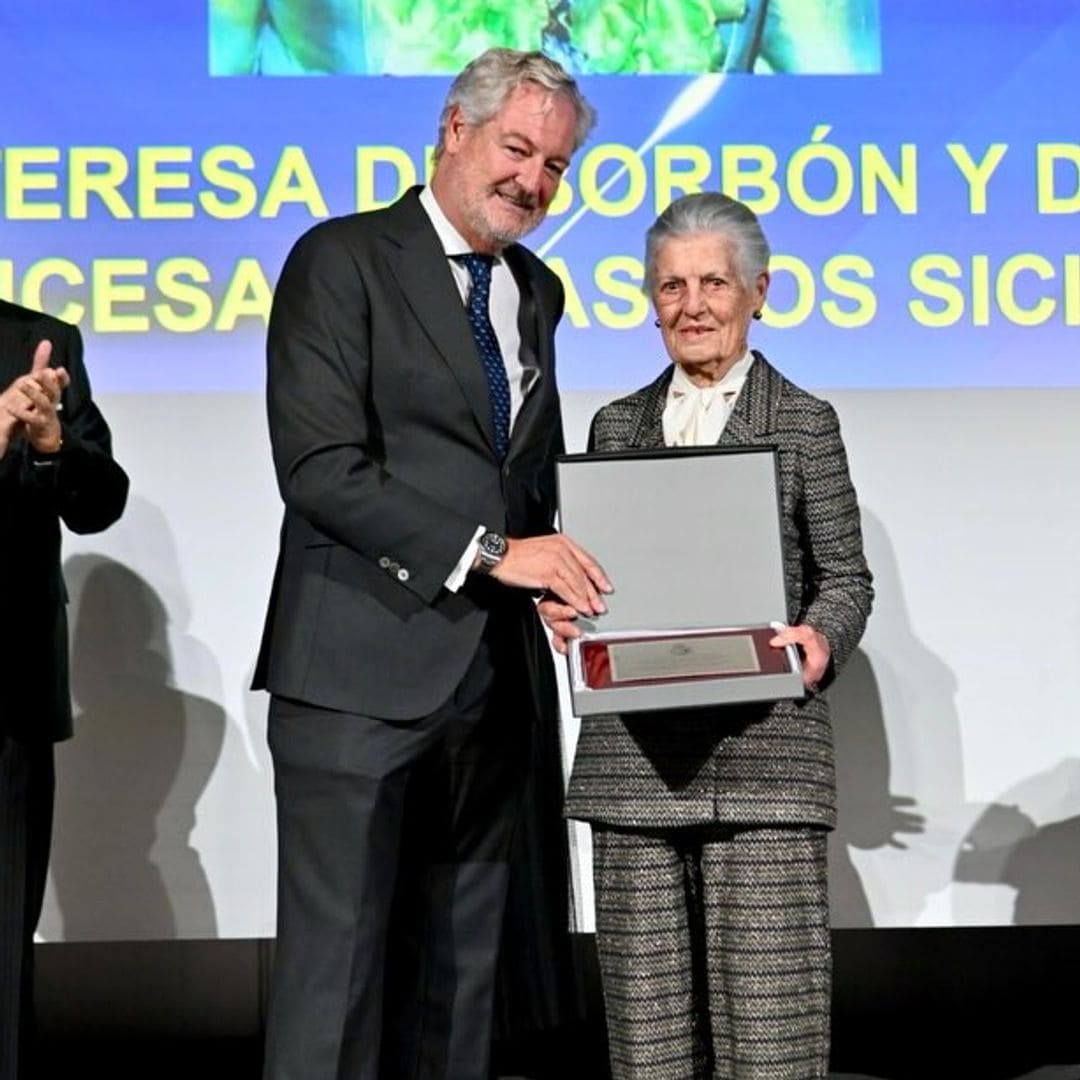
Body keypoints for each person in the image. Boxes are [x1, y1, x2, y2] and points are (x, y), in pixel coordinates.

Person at [252, 48, 608, 1080]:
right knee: (339, 982)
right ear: (456, 129)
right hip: (356, 681)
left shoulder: (536, 289)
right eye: (517, 148)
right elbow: (318, 468)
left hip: (492, 689)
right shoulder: (344, 257)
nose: (533, 182)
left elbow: (513, 469)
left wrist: (554, 578)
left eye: (554, 165)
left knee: (461, 986)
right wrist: (497, 555)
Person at [541, 192, 874, 1079]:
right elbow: (592, 576)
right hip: (634, 774)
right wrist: (567, 611)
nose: (691, 306)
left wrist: (819, 642)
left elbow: (846, 577)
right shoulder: (614, 426)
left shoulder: (807, 422)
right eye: (670, 286)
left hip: (767, 769)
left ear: (758, 292)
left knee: (772, 1047)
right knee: (646, 1051)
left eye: (713, 283)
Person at [0, 300, 128, 1079]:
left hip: (8, 684)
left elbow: (100, 503)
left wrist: (52, 446)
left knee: (4, 938)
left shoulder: (37, 342)